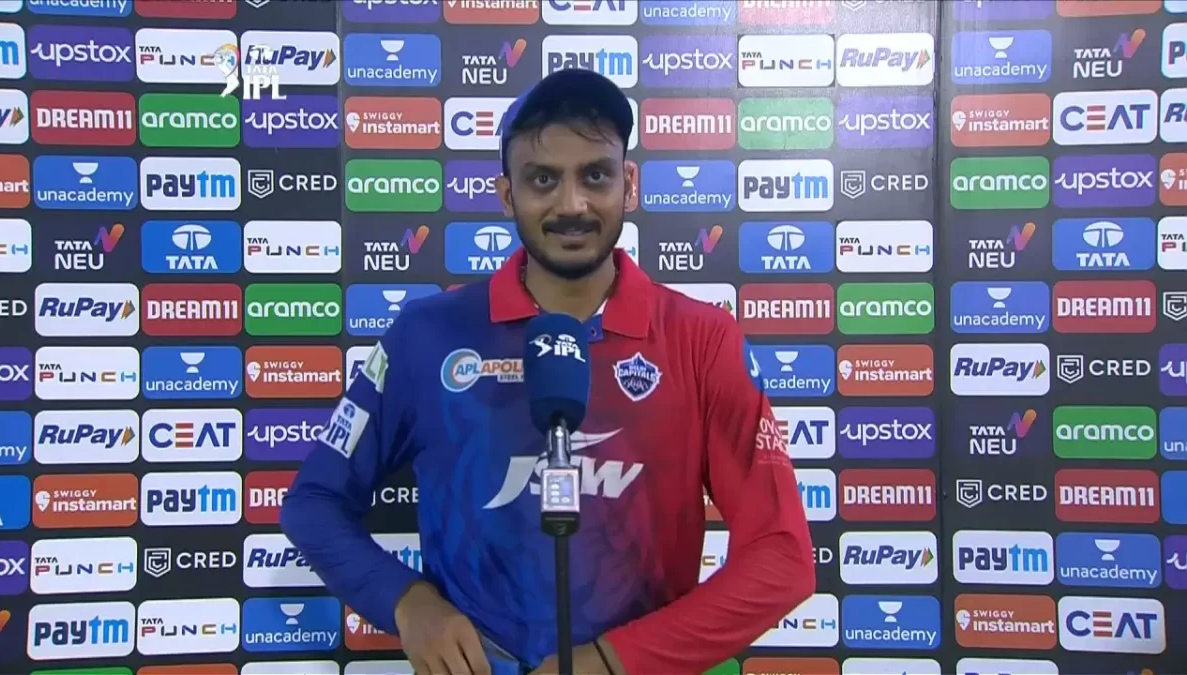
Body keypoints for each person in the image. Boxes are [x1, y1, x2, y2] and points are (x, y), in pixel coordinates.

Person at [280, 68, 816, 675]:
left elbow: (782, 556)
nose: (572, 205)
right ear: (507, 194)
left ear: (629, 184)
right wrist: (408, 603)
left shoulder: (702, 339)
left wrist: (616, 660)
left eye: (595, 176)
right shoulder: (426, 335)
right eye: (543, 179)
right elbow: (314, 503)